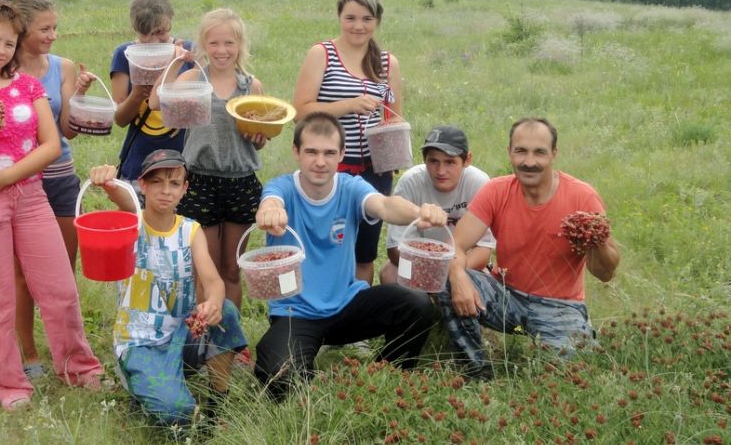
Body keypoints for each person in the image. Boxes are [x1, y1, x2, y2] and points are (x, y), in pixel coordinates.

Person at [0, 0, 103, 411]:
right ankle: (8, 384)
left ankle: (78, 367)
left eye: (8, 43)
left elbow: (50, 146)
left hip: (30, 198)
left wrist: (7, 177)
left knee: (59, 289)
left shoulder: (27, 86)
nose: (0, 50)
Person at [253, 112, 445, 401]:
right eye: (311, 152)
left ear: (342, 154)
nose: (320, 161)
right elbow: (270, 202)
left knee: (416, 304)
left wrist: (419, 213)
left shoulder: (351, 186)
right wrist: (269, 211)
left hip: (347, 304)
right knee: (280, 377)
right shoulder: (281, 187)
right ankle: (306, 376)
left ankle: (389, 374)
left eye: (330, 153)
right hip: (296, 313)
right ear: (296, 152)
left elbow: (385, 206)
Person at [439, 117, 620, 380]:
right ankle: (476, 369)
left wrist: (596, 242)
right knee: (448, 277)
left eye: (539, 152)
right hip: (508, 295)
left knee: (570, 376)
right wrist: (458, 277)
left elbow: (605, 273)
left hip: (560, 306)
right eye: (521, 151)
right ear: (510, 152)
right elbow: (454, 244)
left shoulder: (582, 197)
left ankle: (573, 341)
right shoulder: (497, 191)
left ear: (554, 154)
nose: (529, 161)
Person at [89, 150, 247, 425]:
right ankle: (145, 384)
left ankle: (216, 404)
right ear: (143, 185)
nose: (165, 191)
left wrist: (213, 302)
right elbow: (124, 201)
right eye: (157, 182)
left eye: (174, 183)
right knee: (176, 411)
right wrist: (109, 185)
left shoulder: (190, 230)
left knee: (227, 312)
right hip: (141, 343)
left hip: (182, 333)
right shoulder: (131, 224)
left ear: (185, 189)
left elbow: (213, 282)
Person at [148, 8, 267, 311]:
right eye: (213, 43)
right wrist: (174, 61)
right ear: (203, 45)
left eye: (229, 43)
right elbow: (155, 101)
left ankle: (231, 340)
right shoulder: (193, 77)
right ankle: (205, 338)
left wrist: (259, 136)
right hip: (200, 181)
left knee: (231, 269)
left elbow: (260, 137)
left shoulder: (250, 86)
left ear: (240, 45)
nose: (221, 50)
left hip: (241, 182)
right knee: (208, 269)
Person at [292, 0, 404, 285]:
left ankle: (358, 319)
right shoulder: (322, 54)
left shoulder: (387, 62)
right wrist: (349, 105)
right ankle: (319, 311)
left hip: (375, 171)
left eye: (367, 19)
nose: (358, 26)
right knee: (326, 245)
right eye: (351, 18)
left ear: (377, 21)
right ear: (339, 17)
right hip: (329, 166)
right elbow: (301, 111)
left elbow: (394, 118)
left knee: (364, 252)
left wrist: (393, 153)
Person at [11, 0, 97, 380]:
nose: (52, 35)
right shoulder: (4, 68)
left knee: (63, 271)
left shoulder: (60, 67)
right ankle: (27, 350)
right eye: (44, 28)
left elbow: (67, 132)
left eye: (55, 27)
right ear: (22, 28)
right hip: (17, 183)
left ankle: (66, 351)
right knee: (22, 275)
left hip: (60, 178)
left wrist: (78, 97)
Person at [381, 125, 496, 284]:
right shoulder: (411, 181)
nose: (441, 171)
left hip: (463, 261)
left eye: (450, 162)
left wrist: (452, 273)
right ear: (424, 159)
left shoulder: (479, 183)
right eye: (434, 161)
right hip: (419, 260)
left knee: (486, 283)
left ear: (467, 160)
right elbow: (394, 250)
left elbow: (483, 250)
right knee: (389, 274)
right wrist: (429, 273)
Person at [109, 0, 194, 193]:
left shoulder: (188, 52)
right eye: (148, 35)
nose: (155, 41)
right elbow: (120, 119)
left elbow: (198, 111)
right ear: (136, 29)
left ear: (171, 21)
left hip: (182, 166)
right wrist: (138, 93)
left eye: (161, 33)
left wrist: (175, 65)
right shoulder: (124, 54)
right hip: (139, 166)